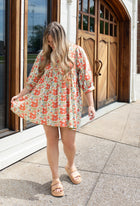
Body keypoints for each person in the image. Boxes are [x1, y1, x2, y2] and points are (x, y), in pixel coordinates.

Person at [11, 21, 95, 197]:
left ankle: (71, 165)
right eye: (48, 42)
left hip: (69, 104)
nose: (51, 45)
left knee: (69, 142)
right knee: (52, 140)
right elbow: (33, 79)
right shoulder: (44, 55)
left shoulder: (76, 52)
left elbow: (86, 80)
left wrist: (91, 104)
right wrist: (20, 94)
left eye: (53, 41)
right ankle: (55, 178)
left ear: (61, 38)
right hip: (48, 103)